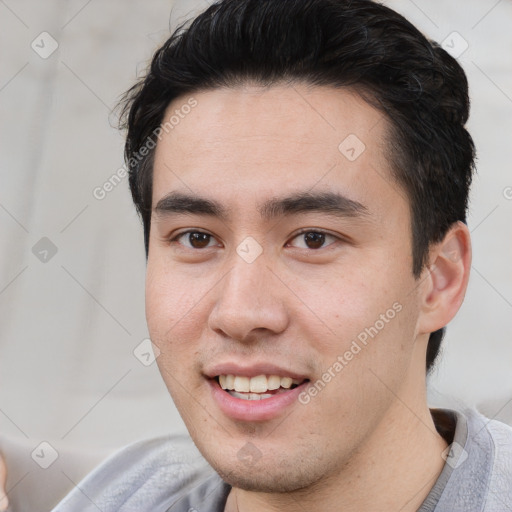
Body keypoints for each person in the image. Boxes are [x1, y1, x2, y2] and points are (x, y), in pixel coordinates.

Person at [51, 0, 512, 510]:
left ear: (439, 279)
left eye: (313, 238)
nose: (241, 314)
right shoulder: (122, 493)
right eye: (197, 238)